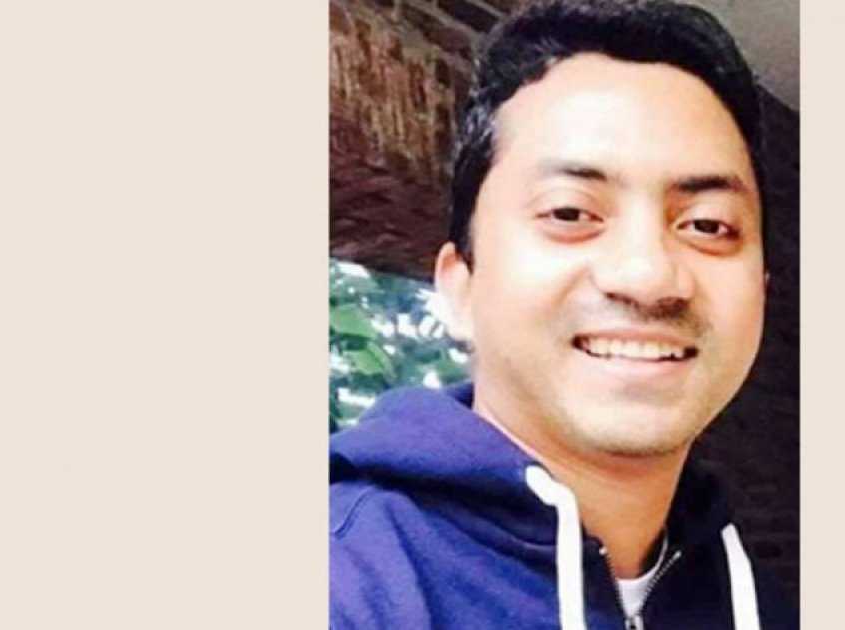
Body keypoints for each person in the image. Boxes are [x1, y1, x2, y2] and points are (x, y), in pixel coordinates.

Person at [330, 0, 797, 627]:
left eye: (708, 225)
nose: (648, 275)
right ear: (460, 286)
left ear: (761, 292)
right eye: (571, 213)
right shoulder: (344, 585)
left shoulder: (759, 605)